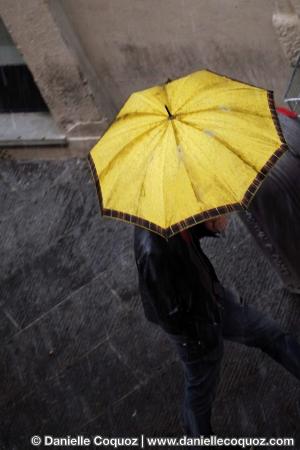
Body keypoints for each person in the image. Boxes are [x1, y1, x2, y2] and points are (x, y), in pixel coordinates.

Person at [134, 216, 300, 446]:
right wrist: (201, 335)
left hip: (214, 301)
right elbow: (169, 313)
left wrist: (208, 226)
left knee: (271, 335)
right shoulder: (153, 251)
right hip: (198, 331)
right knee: (200, 391)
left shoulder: (171, 216)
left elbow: (189, 244)